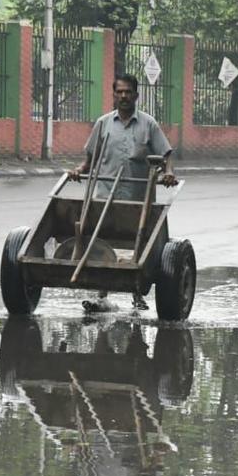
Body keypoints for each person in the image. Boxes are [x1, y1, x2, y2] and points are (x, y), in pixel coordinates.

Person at [69, 74, 177, 311]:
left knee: (139, 243)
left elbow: (166, 155)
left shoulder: (149, 124)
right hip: (106, 193)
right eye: (119, 92)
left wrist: (168, 173)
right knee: (102, 241)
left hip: (138, 197)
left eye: (128, 92)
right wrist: (79, 170)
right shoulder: (103, 124)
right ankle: (101, 293)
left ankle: (137, 293)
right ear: (114, 95)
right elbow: (89, 160)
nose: (124, 96)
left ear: (136, 96)